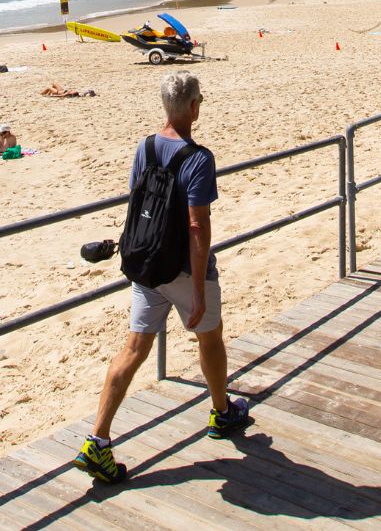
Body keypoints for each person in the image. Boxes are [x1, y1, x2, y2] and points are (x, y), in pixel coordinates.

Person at [75, 73, 251, 486]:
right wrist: (197, 290)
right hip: (186, 269)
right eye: (200, 101)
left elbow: (137, 199)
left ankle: (97, 440)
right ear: (192, 107)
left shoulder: (146, 146)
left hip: (147, 263)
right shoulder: (199, 158)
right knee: (210, 337)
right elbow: (197, 227)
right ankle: (222, 412)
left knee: (133, 347)